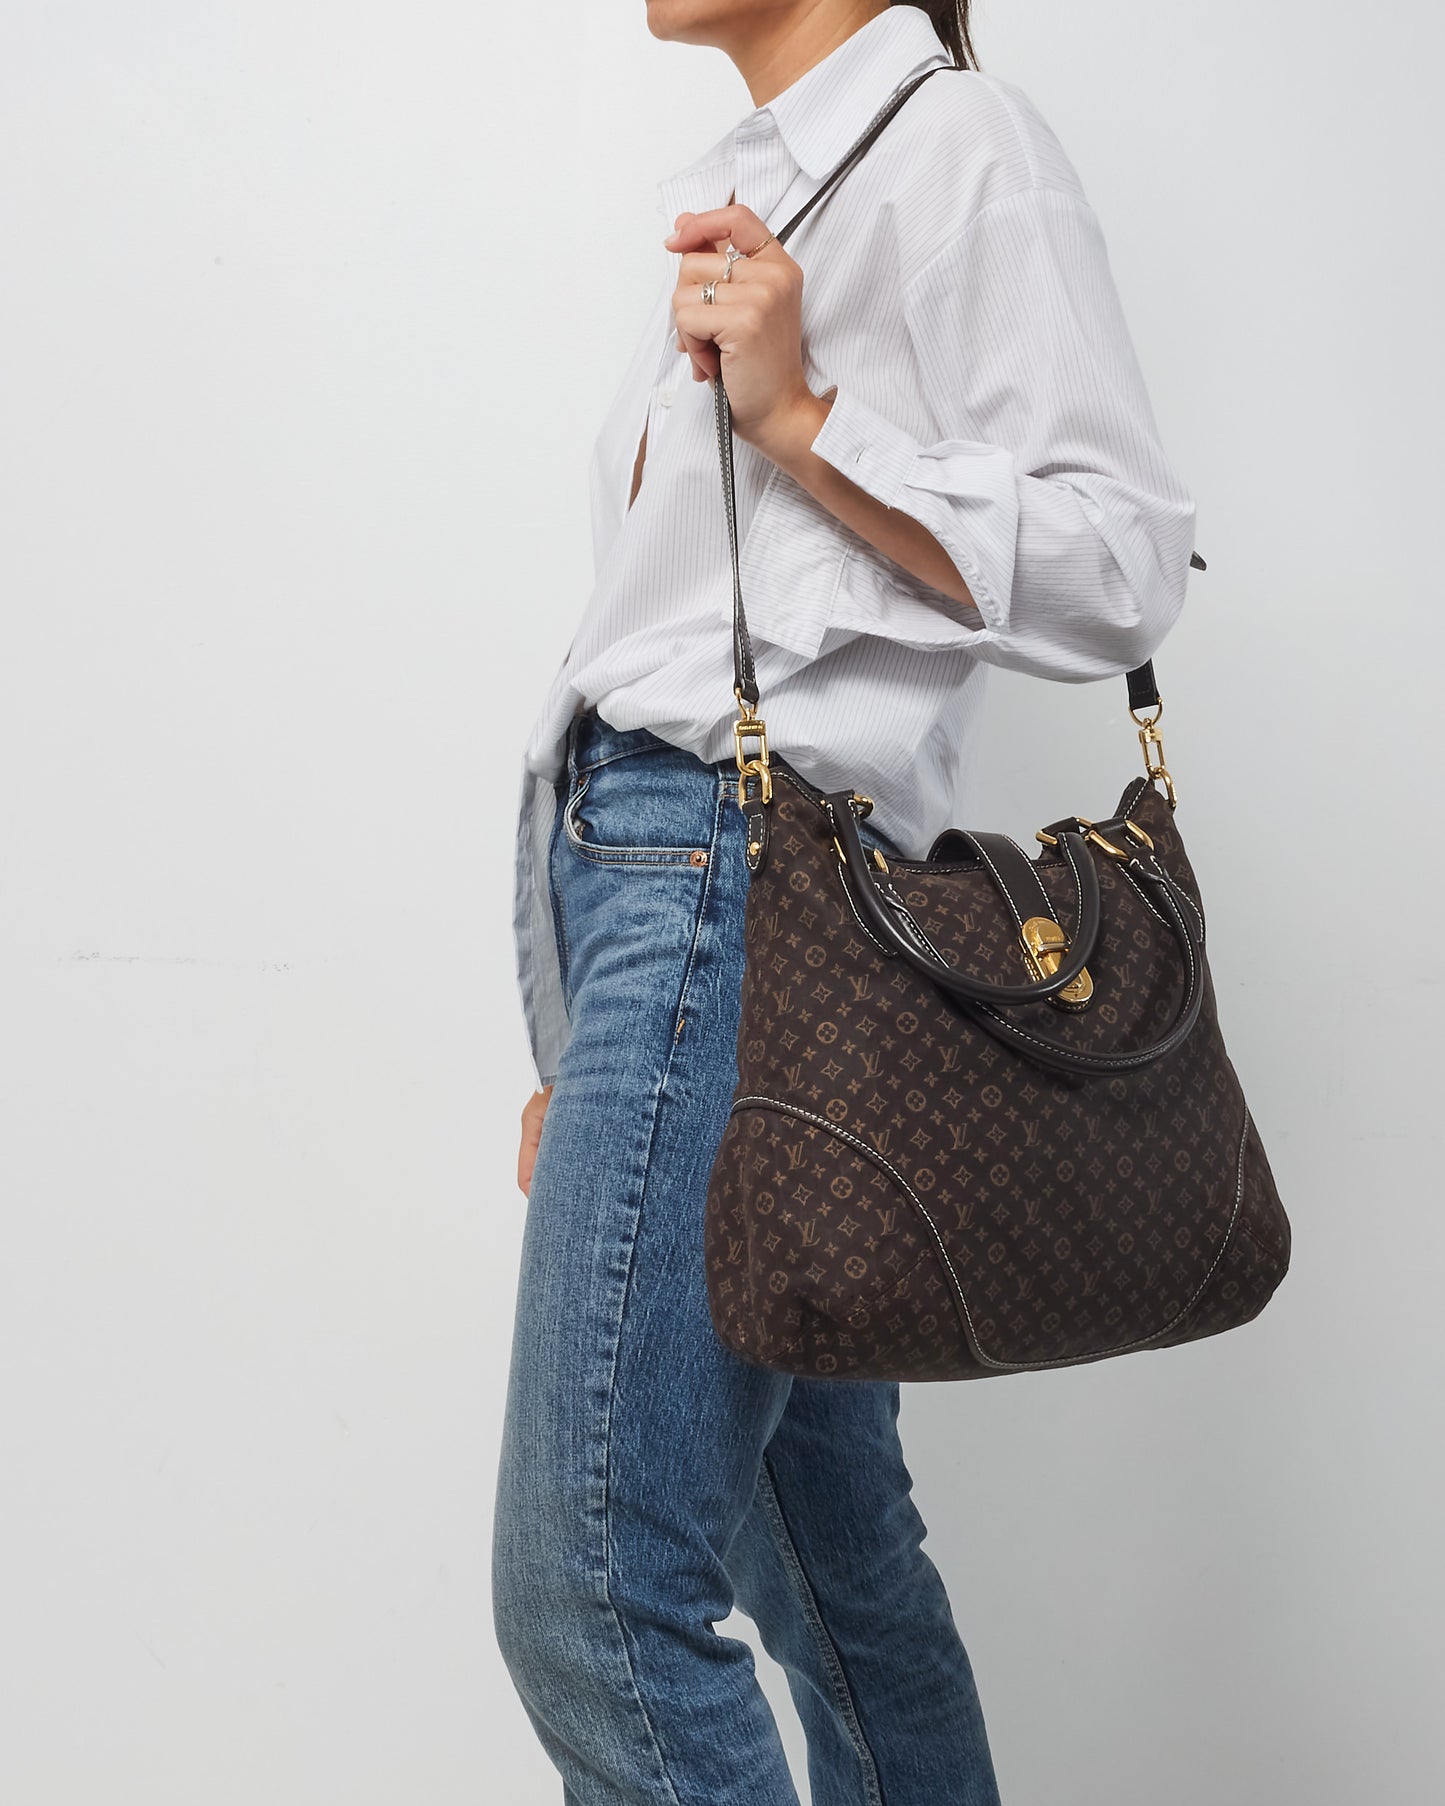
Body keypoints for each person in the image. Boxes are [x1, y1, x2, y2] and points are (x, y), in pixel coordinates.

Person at [493, 4, 1196, 1801]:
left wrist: (807, 419)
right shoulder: (761, 181)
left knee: (596, 1588)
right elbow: (653, 649)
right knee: (829, 1569)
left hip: (734, 893)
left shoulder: (955, 149)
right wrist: (582, 1041)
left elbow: (1123, 564)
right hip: (677, 909)